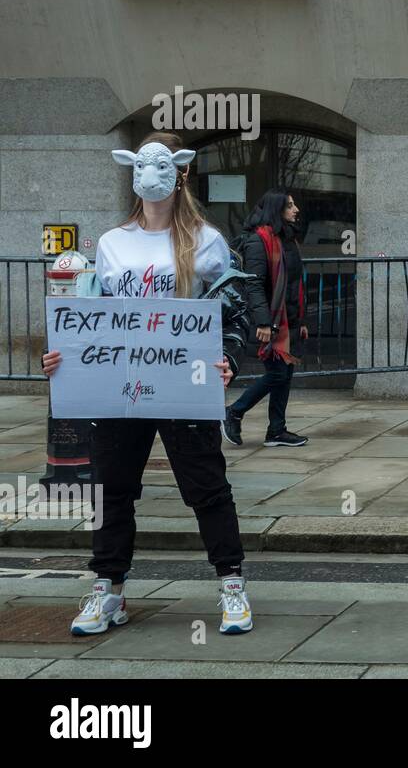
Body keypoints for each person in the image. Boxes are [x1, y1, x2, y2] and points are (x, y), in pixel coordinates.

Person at [42, 132, 255, 636]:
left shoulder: (206, 241)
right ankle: (107, 588)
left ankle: (231, 583)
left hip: (183, 384)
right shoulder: (113, 244)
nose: (149, 178)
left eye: (160, 167)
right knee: (111, 489)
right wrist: (62, 359)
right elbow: (87, 320)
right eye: (141, 167)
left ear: (180, 172)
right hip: (119, 390)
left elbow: (234, 312)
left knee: (206, 487)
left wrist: (227, 358)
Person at [223, 188, 310, 447]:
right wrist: (264, 321)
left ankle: (276, 430)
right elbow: (254, 285)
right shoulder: (258, 241)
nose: (296, 210)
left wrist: (301, 320)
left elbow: (295, 283)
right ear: (276, 210)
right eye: (290, 206)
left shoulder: (287, 239)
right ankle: (234, 412)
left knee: (285, 374)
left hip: (287, 320)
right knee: (277, 375)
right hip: (269, 321)